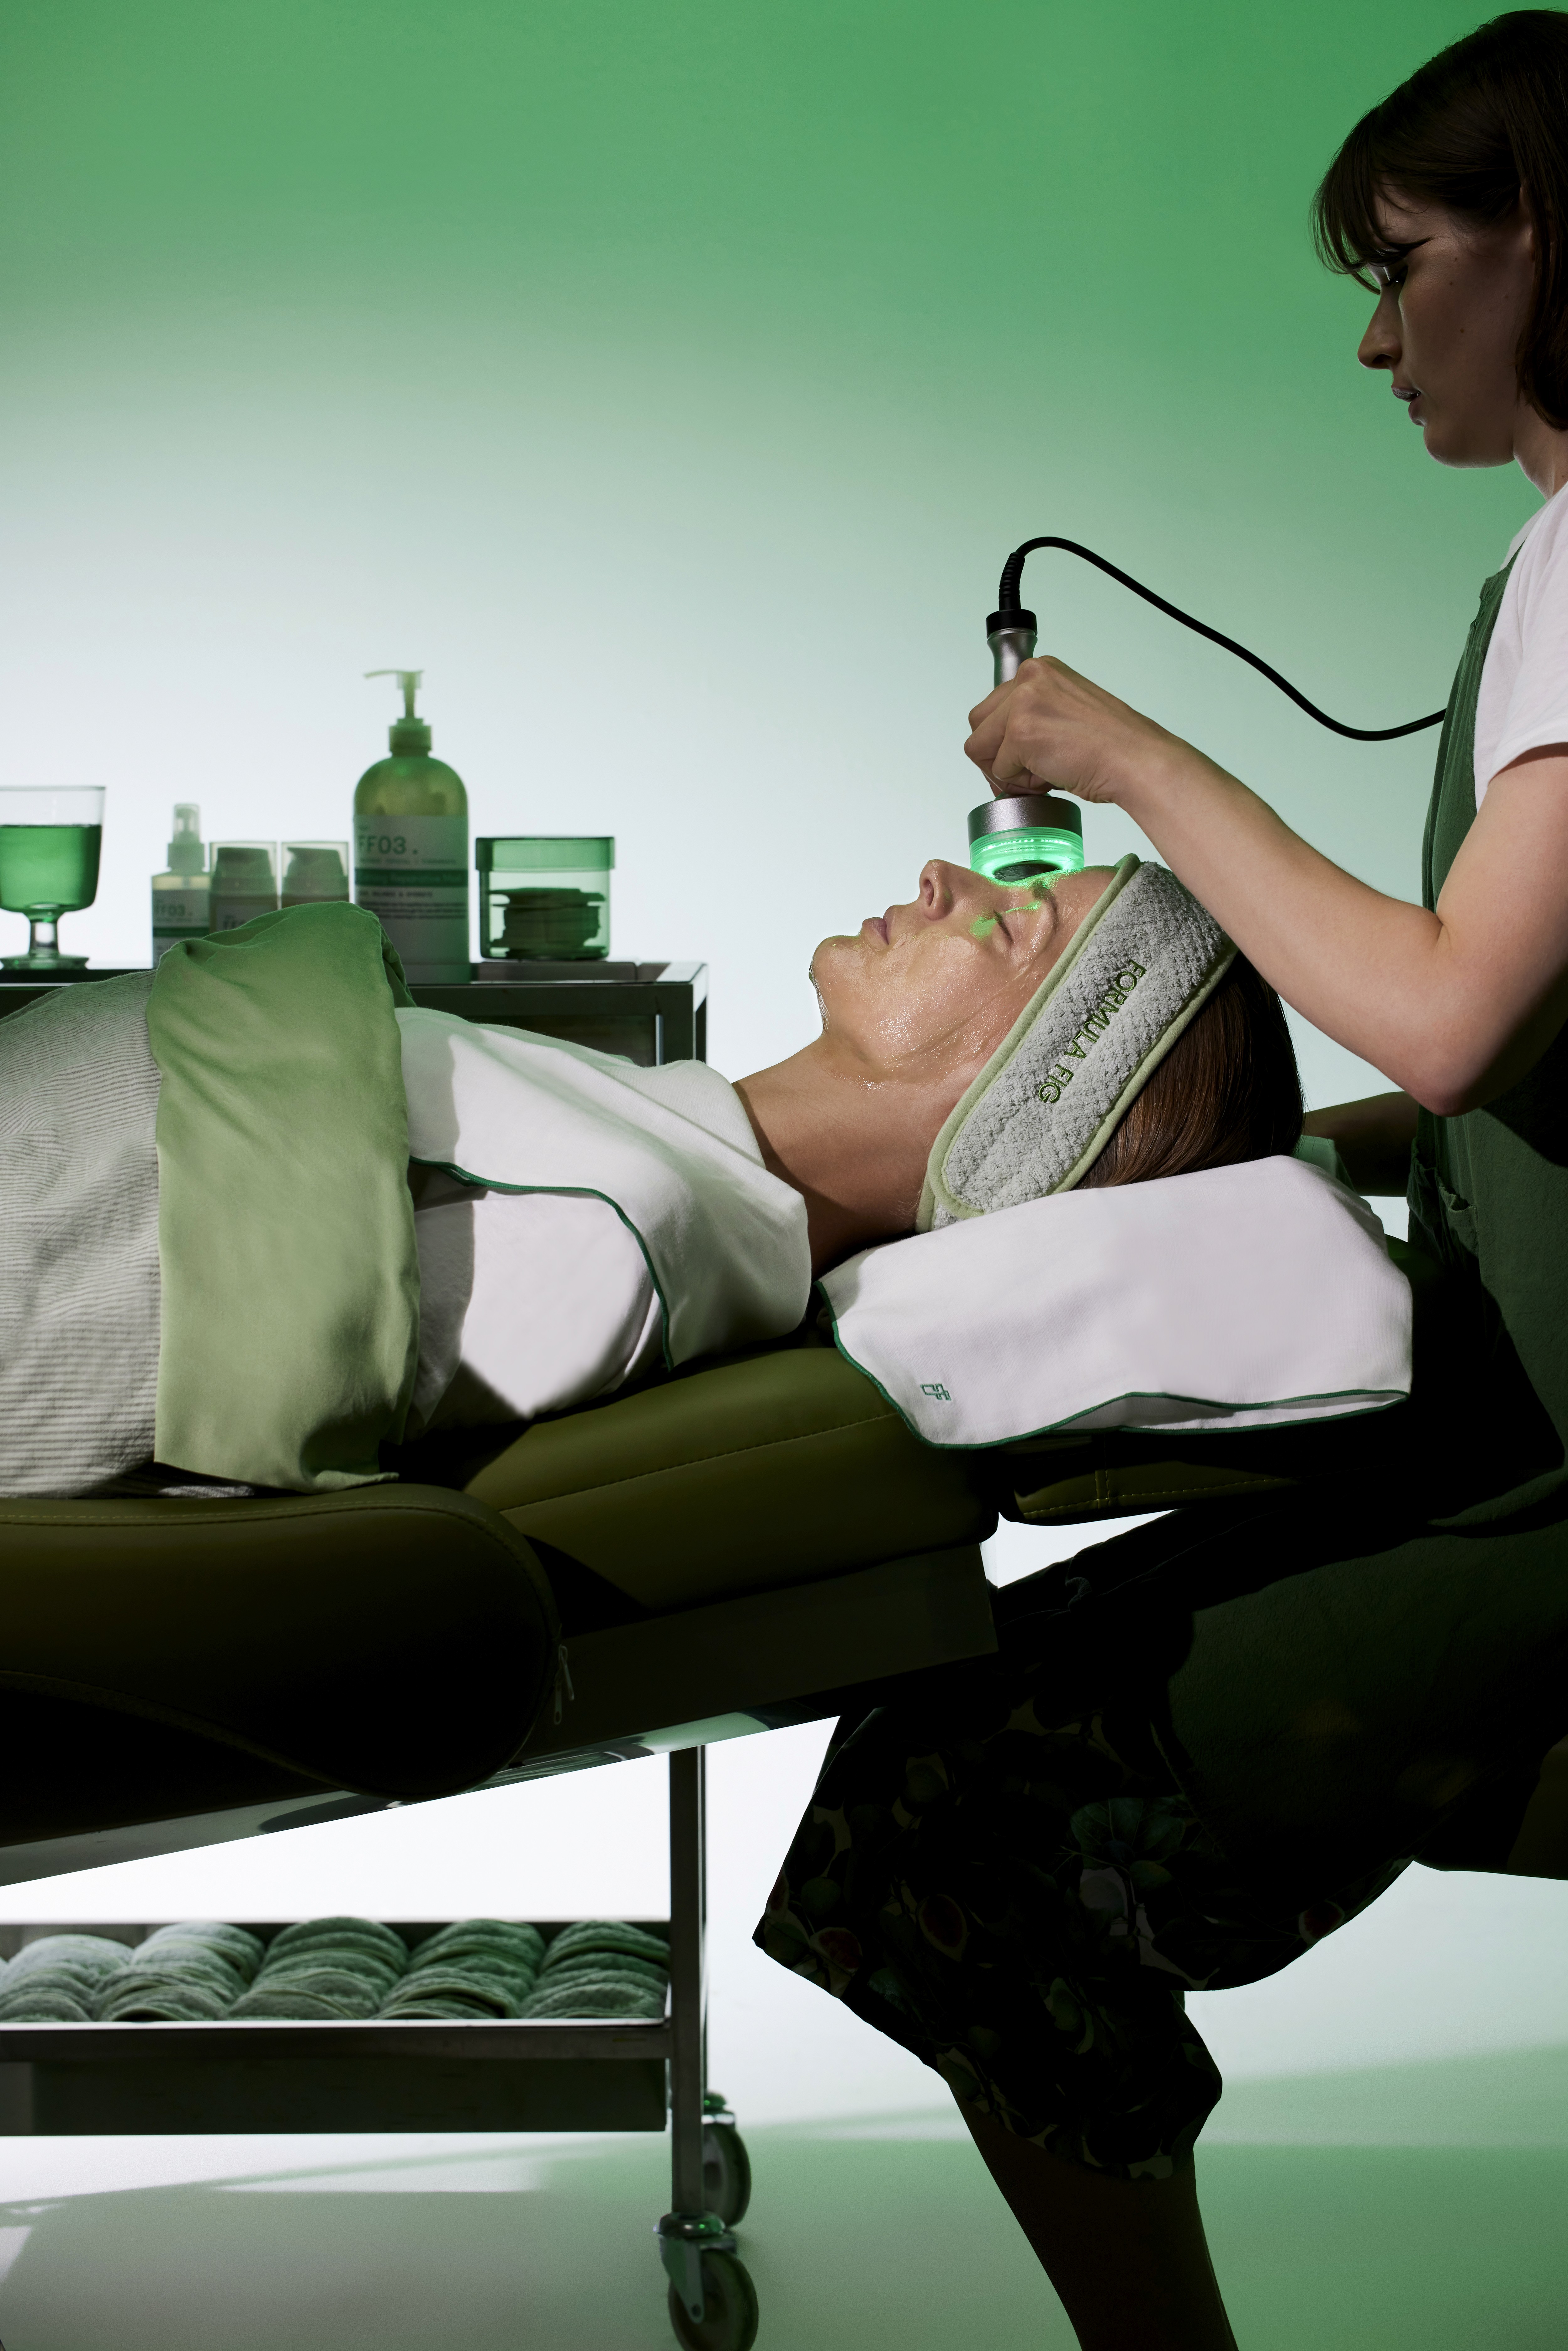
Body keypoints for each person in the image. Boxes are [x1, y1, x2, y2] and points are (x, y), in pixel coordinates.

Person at [758, 15, 1568, 2350]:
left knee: (966, 1805)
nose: (1373, 334)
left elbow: (1454, 1016)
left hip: (1550, 1481)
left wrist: (1122, 750)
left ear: (1551, 237)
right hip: (1494, 1423)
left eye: (1403, 265)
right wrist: (1276, 1166)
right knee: (941, 1733)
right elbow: (1503, 1064)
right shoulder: (1543, 568)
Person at [0, 856, 1296, 1496]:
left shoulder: (622, 1232)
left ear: (1029, 1112)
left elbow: (114, 1347)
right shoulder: (642, 1151)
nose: (944, 877)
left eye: (1010, 925)